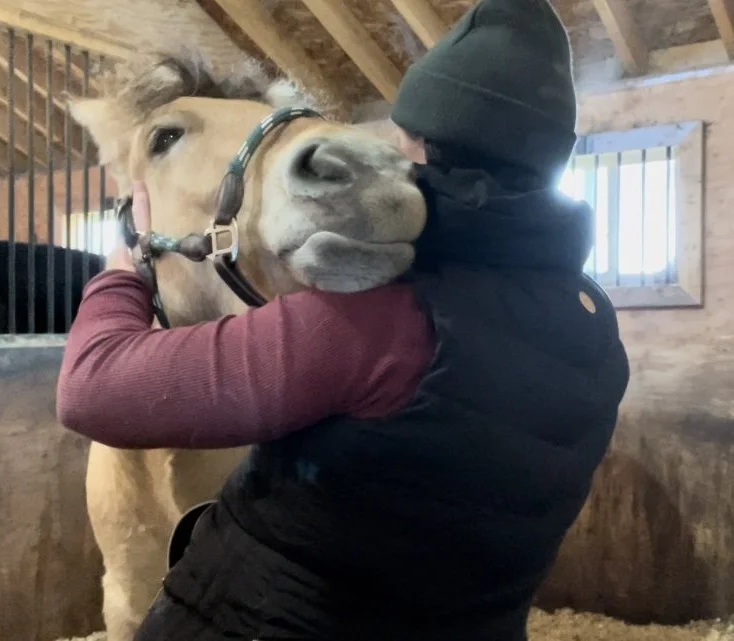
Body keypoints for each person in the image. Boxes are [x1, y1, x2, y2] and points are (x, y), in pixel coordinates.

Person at [56, 0, 630, 639]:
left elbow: (91, 387)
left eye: (403, 132)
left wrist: (122, 266)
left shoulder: (381, 321)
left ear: (422, 145)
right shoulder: (595, 326)